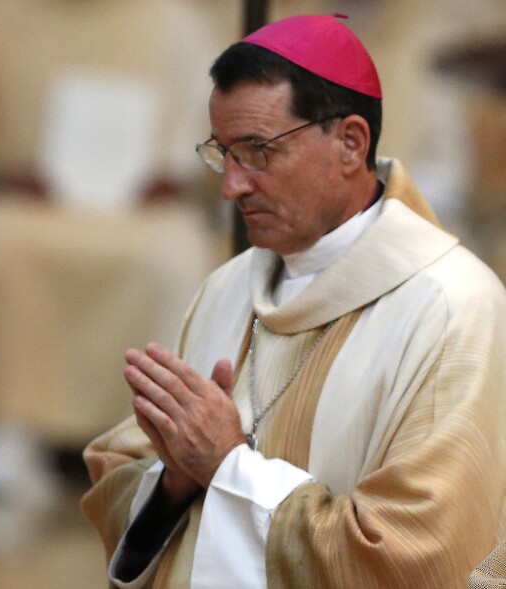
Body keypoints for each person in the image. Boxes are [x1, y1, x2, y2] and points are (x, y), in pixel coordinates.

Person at [81, 13, 506, 589]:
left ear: (351, 143)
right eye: (223, 152)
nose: (232, 185)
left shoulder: (455, 309)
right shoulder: (227, 289)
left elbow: (425, 554)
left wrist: (230, 469)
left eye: (258, 151)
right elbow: (124, 482)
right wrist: (173, 482)